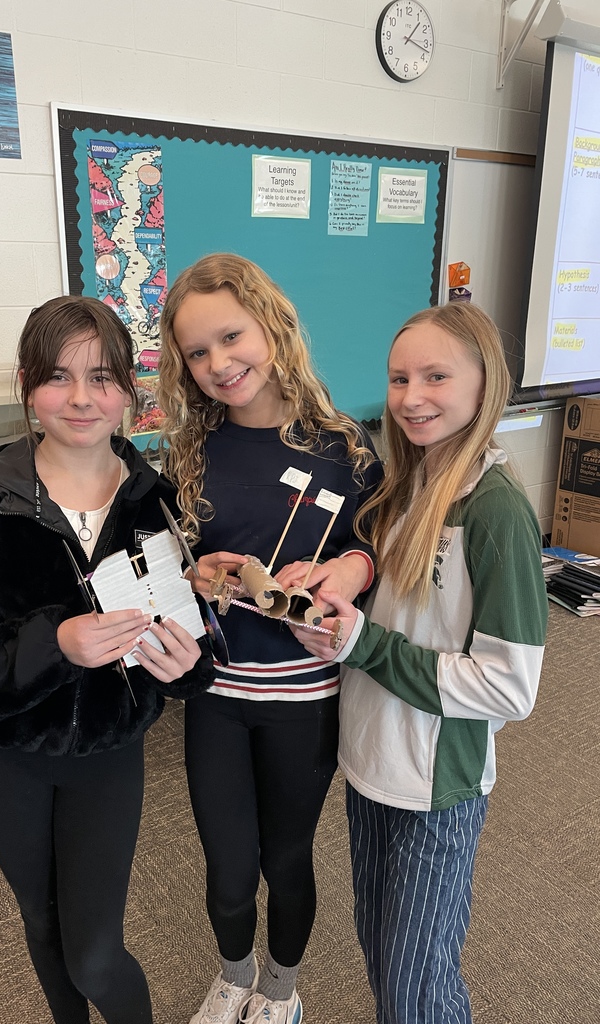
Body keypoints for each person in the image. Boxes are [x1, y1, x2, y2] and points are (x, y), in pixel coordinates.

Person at [0, 295, 215, 1024]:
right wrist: (57, 642)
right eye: (58, 376)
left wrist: (188, 670)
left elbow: (193, 643)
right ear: (27, 385)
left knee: (96, 954)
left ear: (130, 393)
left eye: (103, 377)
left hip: (107, 758)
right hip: (6, 755)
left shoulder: (158, 504)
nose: (81, 398)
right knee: (43, 927)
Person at [292, 302, 548, 1024]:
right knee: (384, 954)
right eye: (399, 378)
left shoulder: (495, 511)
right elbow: (397, 607)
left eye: (436, 376)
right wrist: (335, 597)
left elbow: (509, 686)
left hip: (439, 785)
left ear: (483, 383)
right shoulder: (403, 484)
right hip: (373, 760)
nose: (411, 397)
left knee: (416, 987)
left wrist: (366, 646)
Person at [157, 253, 383, 1024]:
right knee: (227, 870)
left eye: (231, 336)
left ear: (272, 326)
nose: (219, 363)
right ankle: (234, 977)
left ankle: (281, 993)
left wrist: (352, 566)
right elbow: (173, 564)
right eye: (197, 352)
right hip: (217, 696)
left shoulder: (345, 449)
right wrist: (196, 578)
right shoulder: (194, 450)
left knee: (286, 860)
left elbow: (380, 550)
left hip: (304, 700)